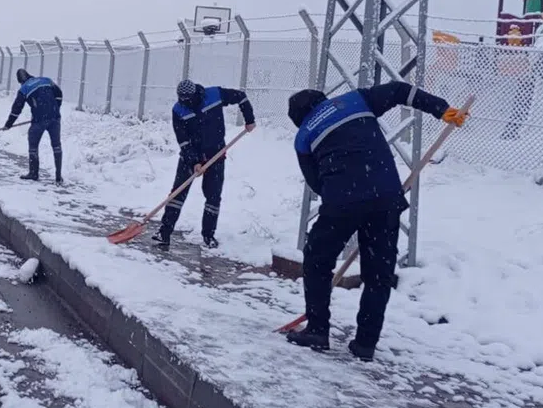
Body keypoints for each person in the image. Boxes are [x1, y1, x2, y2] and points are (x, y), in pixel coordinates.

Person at [285, 81, 468, 361]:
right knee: (378, 275)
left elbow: (316, 184)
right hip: (385, 197)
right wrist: (440, 109)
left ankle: (318, 330)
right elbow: (398, 90)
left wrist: (349, 199)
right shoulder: (354, 101)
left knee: (317, 260)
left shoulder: (303, 137)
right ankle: (365, 344)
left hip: (342, 202)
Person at [152, 79, 256, 249]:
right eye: (182, 99)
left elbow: (241, 97)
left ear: (195, 95)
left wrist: (249, 119)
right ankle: (164, 233)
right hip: (190, 157)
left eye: (188, 100)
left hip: (216, 155)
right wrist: (194, 161)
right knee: (177, 194)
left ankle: (208, 236)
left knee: (213, 197)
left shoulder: (214, 95)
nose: (185, 103)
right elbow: (183, 140)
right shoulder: (178, 110)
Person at [5, 68, 64, 184]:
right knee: (56, 145)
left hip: (39, 120)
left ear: (20, 81)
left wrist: (9, 124)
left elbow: (17, 108)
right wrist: (55, 108)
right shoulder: (46, 80)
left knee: (33, 143)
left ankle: (33, 173)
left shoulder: (24, 88)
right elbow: (59, 94)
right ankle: (58, 176)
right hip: (55, 117)